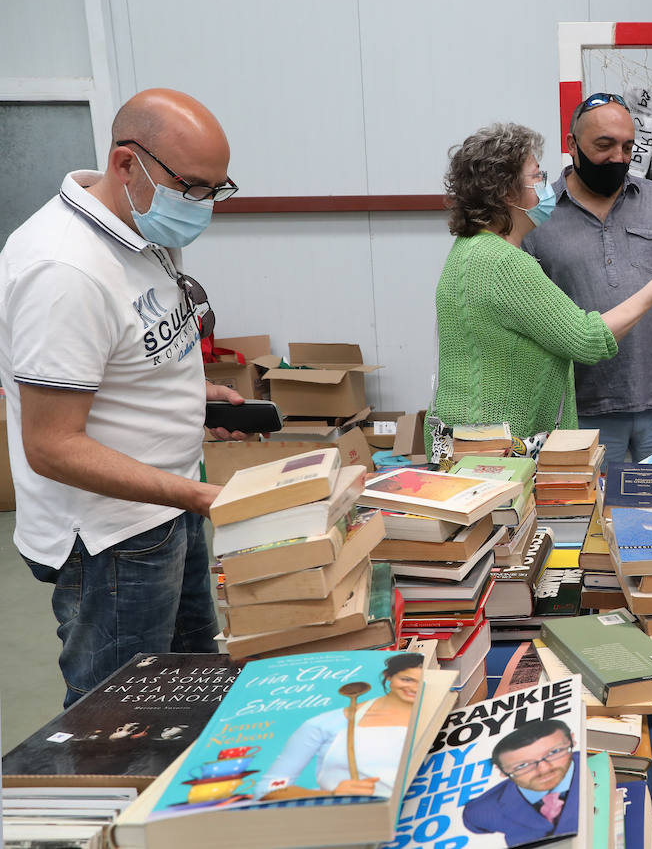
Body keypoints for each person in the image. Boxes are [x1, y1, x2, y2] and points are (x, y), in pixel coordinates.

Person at [0, 88, 251, 708]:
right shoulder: (64, 269)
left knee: (196, 685)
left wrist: (193, 398)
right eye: (190, 186)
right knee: (120, 717)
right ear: (124, 163)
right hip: (111, 538)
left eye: (214, 190)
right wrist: (199, 494)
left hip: (170, 507)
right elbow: (51, 446)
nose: (200, 206)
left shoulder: (141, 225)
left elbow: (132, 353)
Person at [431, 123, 652, 442]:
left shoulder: (469, 248)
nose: (546, 186)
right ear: (507, 192)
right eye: (536, 176)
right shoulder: (505, 262)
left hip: (467, 438)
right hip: (495, 447)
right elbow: (588, 338)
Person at [524, 93, 652, 466]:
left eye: (627, 146)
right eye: (604, 145)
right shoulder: (539, 212)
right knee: (592, 516)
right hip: (581, 408)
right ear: (572, 145)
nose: (618, 157)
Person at [257, 653, 424, 801]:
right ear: (388, 677)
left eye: (421, 681)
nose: (414, 688)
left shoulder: (437, 714)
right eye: (406, 679)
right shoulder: (325, 723)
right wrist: (333, 795)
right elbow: (268, 789)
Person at [462, 718, 581, 844]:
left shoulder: (594, 762)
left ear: (572, 741)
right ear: (501, 771)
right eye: (523, 765)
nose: (544, 770)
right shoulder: (480, 813)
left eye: (554, 752)